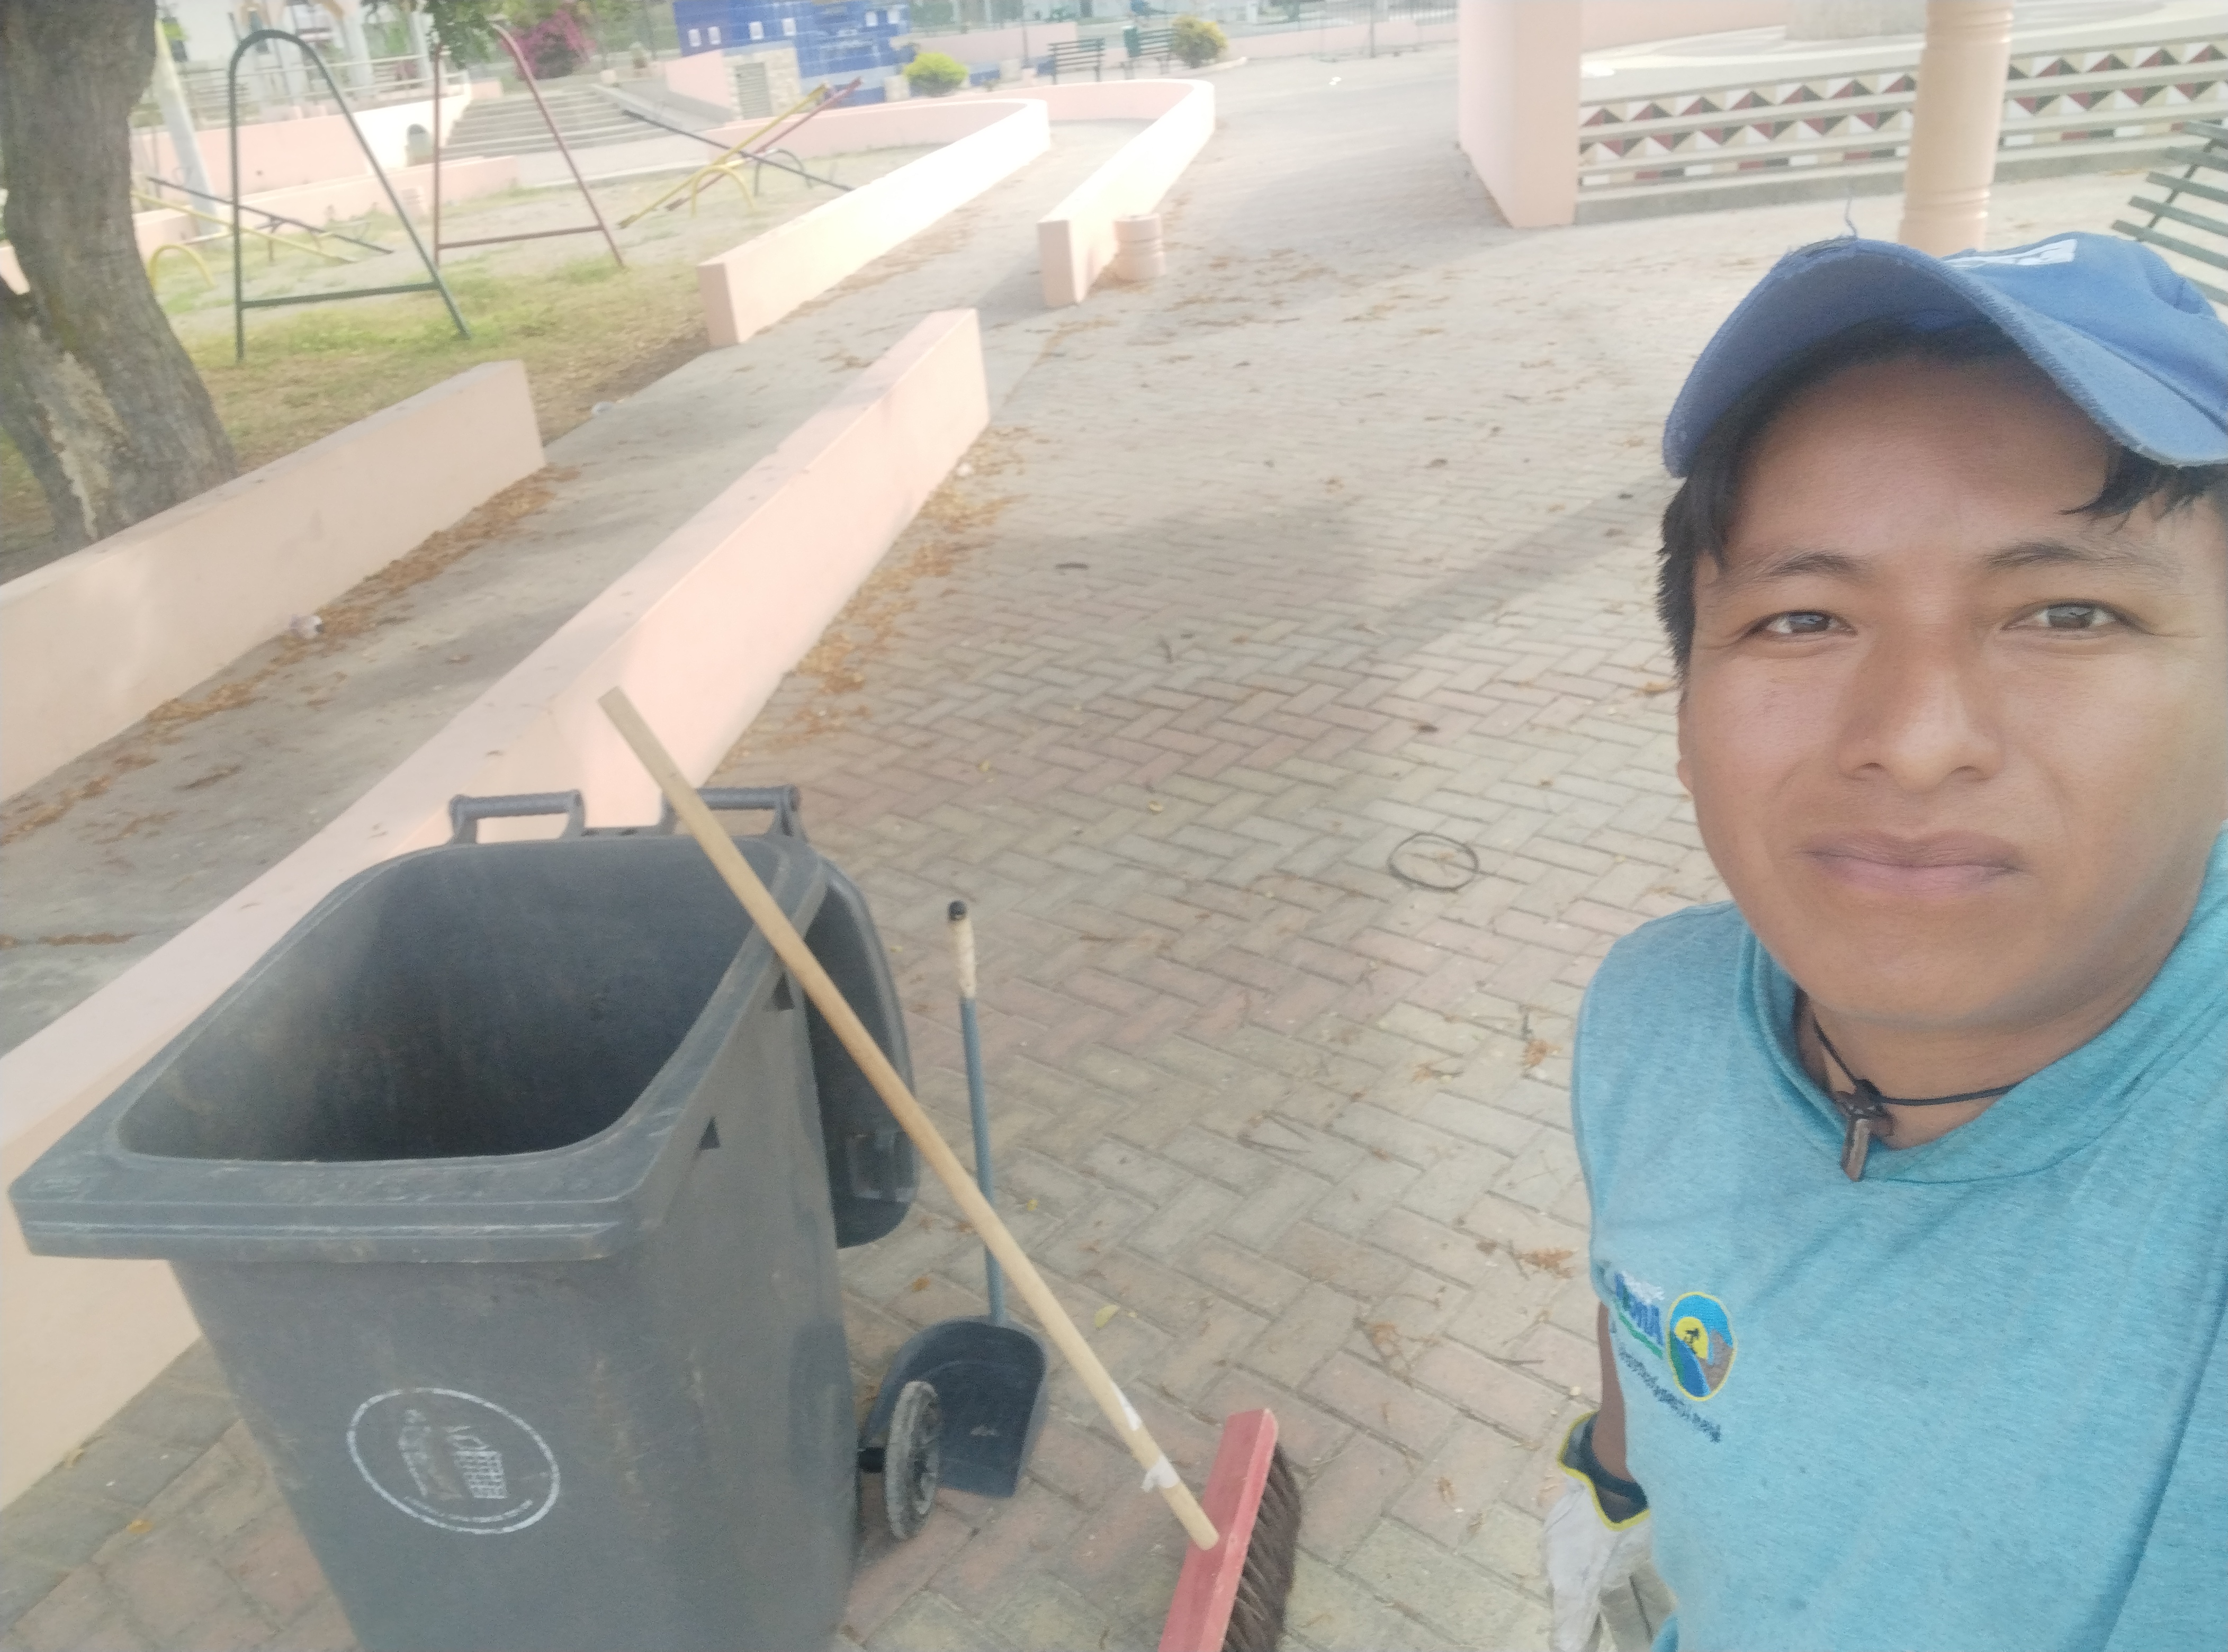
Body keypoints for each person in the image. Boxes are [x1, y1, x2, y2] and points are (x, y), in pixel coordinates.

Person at [1541, 231, 2227, 1652]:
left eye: (2069, 613)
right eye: (1802, 618)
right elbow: (1640, 1308)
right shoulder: (1653, 1012)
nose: (1914, 742)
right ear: (1685, 714)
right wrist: (1612, 1485)